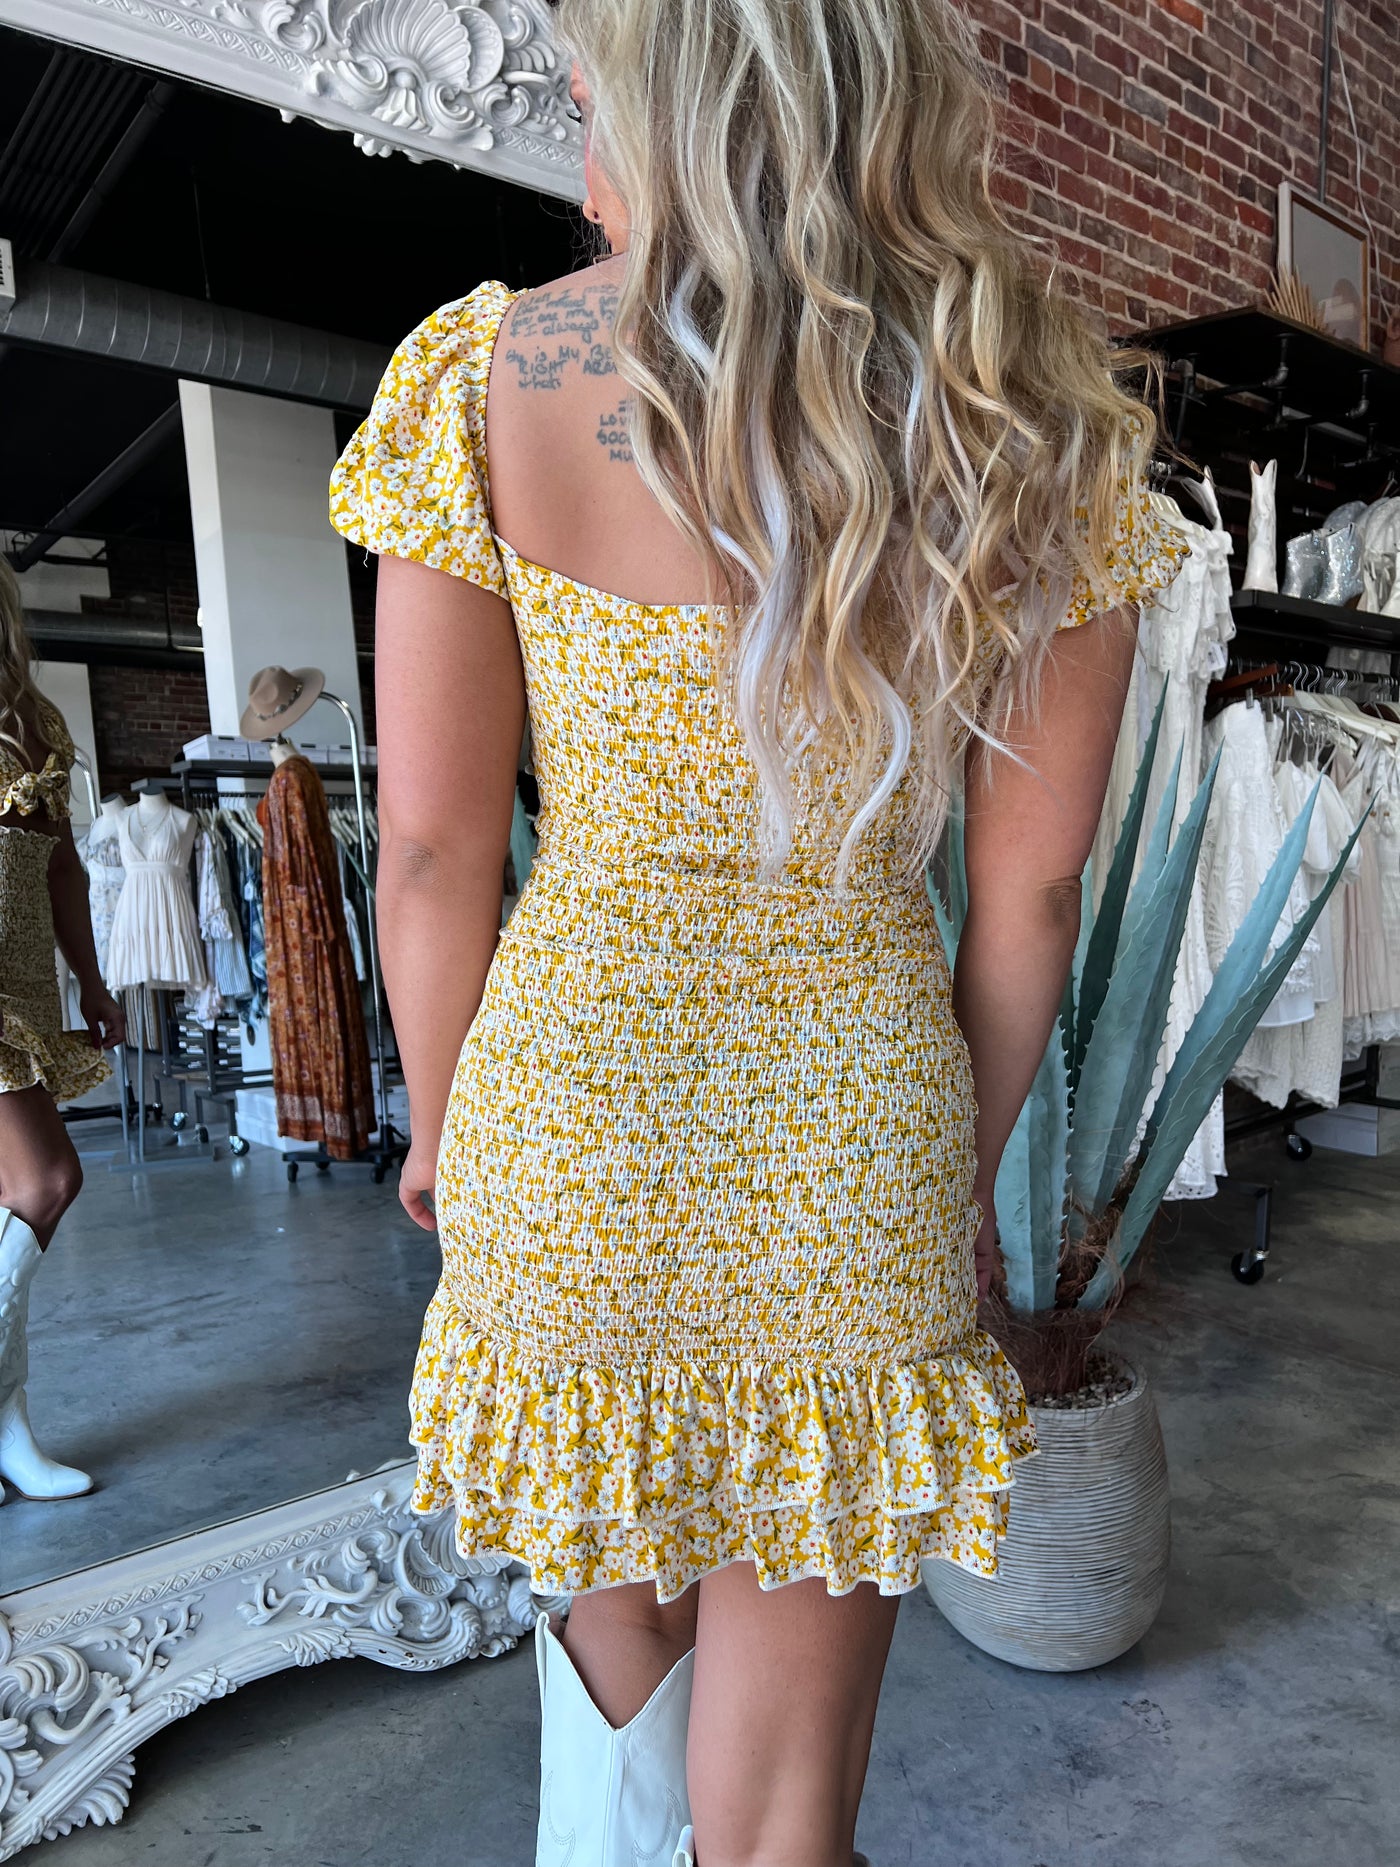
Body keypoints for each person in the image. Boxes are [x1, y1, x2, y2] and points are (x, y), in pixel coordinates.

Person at [329, 3, 1188, 1862]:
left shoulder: (486, 374)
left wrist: (441, 1120)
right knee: (784, 1809)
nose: (571, 102)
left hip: (571, 1115)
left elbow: (435, 850)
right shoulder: (1030, 412)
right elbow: (1033, 895)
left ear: (653, 84)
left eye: (589, 67)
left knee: (615, 1654)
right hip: (850, 1126)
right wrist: (951, 1162)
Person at [0, 557, 124, 1505]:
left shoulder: (32, 721)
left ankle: (10, 1434)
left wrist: (92, 977)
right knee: (48, 1179)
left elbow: (65, 872)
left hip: (26, 985)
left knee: (8, 1201)